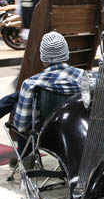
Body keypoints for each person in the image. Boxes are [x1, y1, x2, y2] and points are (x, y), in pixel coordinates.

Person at [3, 32, 83, 167]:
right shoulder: (85, 77)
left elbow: (21, 126)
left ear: (43, 58)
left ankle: (28, 163)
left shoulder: (31, 83)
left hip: (46, 136)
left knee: (20, 108)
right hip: (76, 132)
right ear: (66, 53)